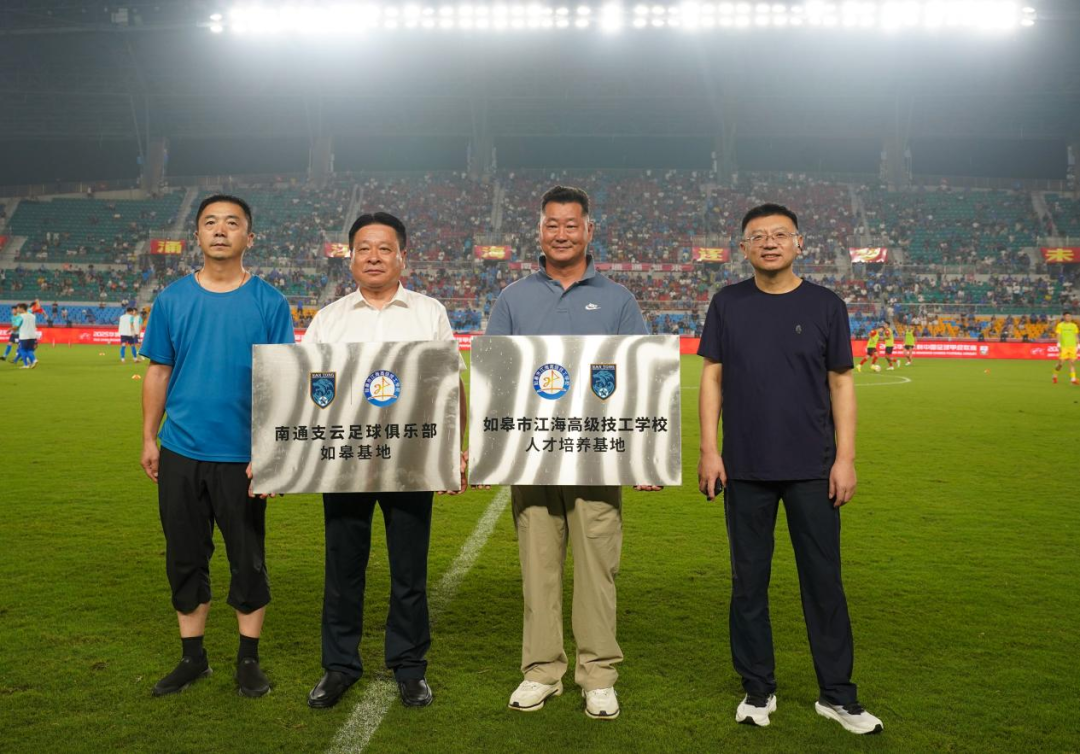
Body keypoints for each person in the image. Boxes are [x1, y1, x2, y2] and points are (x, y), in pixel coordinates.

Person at [697, 203, 883, 735]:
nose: (769, 242)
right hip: (745, 466)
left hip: (813, 468)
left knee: (824, 582)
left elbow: (841, 383)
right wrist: (710, 450)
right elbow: (712, 377)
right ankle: (758, 689)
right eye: (758, 236)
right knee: (748, 584)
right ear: (744, 248)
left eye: (780, 234)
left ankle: (837, 695)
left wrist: (845, 458)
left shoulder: (826, 305)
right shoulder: (727, 303)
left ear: (800, 243)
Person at [486, 185, 658, 721]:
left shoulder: (618, 299)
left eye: (571, 224)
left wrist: (647, 454)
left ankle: (598, 675)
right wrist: (490, 453)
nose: (561, 233)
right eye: (552, 224)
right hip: (534, 458)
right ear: (540, 230)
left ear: (588, 230)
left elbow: (641, 378)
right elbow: (495, 380)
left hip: (597, 460)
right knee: (537, 571)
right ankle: (541, 671)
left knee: (597, 571)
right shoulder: (513, 298)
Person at [303, 212, 467, 711]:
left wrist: (454, 450)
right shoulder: (329, 318)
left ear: (402, 257)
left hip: (411, 461)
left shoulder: (428, 312)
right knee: (342, 569)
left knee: (409, 571)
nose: (373, 257)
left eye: (384, 248)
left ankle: (410, 667)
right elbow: (306, 389)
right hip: (345, 461)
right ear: (350, 257)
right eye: (363, 248)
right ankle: (339, 666)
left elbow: (449, 385)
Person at [138, 194, 294, 699]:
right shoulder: (172, 300)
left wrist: (272, 452)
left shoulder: (269, 302)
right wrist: (149, 437)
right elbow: (158, 370)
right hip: (181, 450)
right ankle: (193, 658)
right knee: (185, 556)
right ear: (198, 236)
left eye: (231, 222)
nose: (220, 230)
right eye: (210, 222)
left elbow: (283, 381)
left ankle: (248, 660)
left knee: (247, 559)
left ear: (250, 236)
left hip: (243, 457)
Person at [1052, 311, 1078, 385]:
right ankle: (1054, 375)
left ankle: (1073, 379)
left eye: (1070, 316)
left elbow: (1076, 336)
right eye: (1067, 316)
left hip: (1073, 346)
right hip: (1064, 347)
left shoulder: (1074, 326)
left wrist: (1078, 345)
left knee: (1072, 363)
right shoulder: (1060, 325)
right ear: (1064, 317)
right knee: (1060, 363)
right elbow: (1058, 335)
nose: (1068, 317)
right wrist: (1058, 344)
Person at [14, 303, 38, 369]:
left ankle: (26, 364)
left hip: (24, 336)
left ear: (22, 308)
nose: (17, 309)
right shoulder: (33, 316)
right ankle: (34, 360)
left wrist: (11, 329)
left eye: (18, 308)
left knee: (22, 349)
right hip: (32, 336)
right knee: (29, 350)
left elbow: (16, 326)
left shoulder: (20, 316)